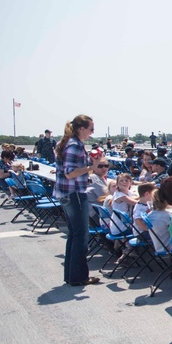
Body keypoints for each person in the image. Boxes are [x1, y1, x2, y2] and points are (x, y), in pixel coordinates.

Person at [54, 114, 102, 287]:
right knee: (81, 235)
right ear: (82, 128)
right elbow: (70, 173)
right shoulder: (74, 145)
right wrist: (92, 167)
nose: (92, 132)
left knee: (74, 235)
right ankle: (79, 277)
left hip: (66, 193)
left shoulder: (67, 142)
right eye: (91, 129)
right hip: (74, 194)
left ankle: (72, 276)